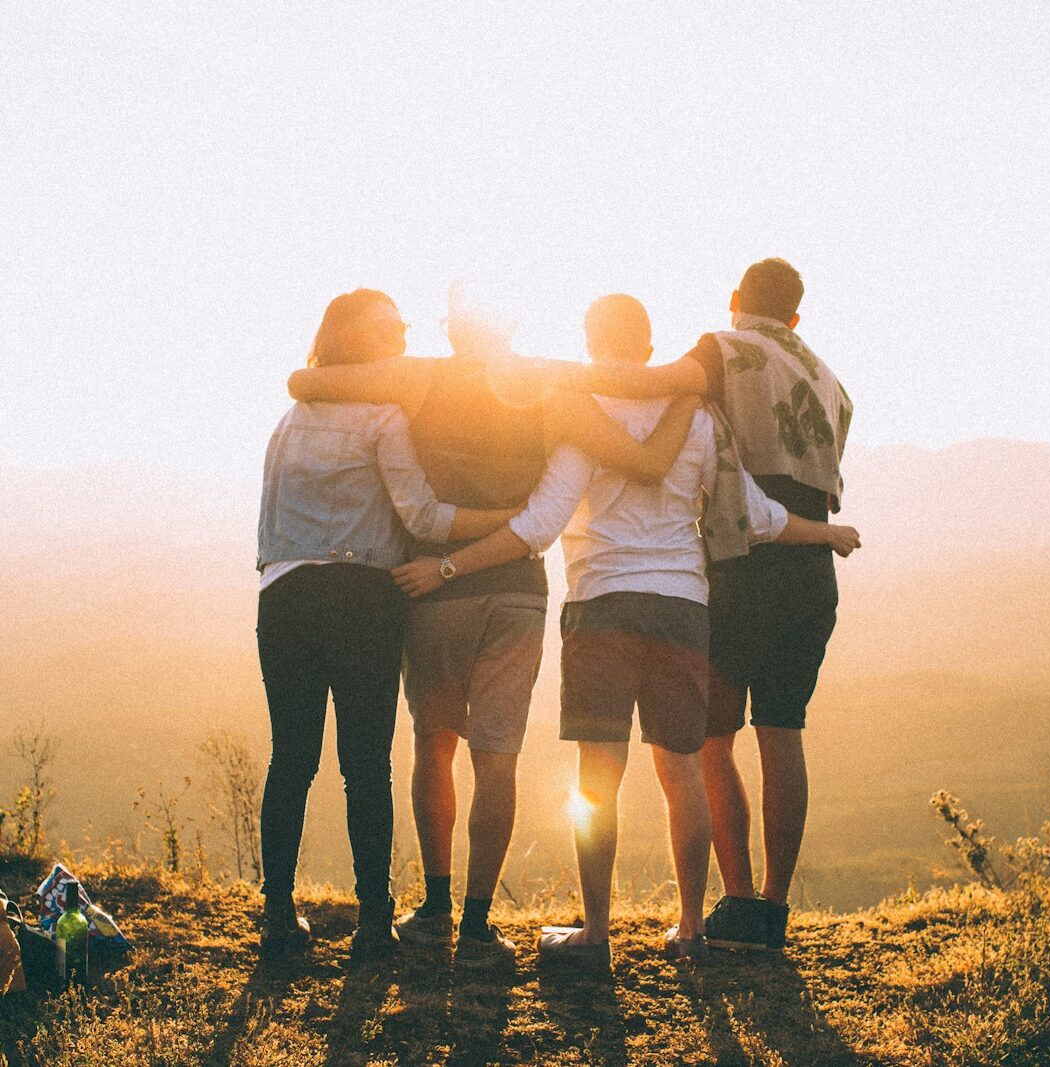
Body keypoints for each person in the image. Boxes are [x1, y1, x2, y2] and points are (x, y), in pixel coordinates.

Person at [392, 294, 860, 970]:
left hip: (600, 605)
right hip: (681, 608)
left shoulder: (582, 413)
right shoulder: (698, 417)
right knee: (681, 772)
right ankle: (692, 928)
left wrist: (448, 565)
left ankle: (595, 933)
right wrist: (826, 533)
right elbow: (754, 514)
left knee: (597, 778)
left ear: (589, 340)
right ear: (648, 347)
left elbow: (540, 524)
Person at [288, 284, 699, 969]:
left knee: (434, 742)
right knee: (497, 755)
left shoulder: (418, 376)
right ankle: (478, 926)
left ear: (453, 329)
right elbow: (624, 433)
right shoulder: (547, 381)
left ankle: (435, 907)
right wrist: (688, 385)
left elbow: (309, 380)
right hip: (516, 590)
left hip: (432, 588)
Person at [550, 260, 854, 951]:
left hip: (739, 563)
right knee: (783, 732)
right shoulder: (830, 380)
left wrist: (549, 377)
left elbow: (651, 384)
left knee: (706, 742)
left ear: (736, 301)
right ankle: (770, 911)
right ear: (796, 317)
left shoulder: (722, 349)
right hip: (808, 566)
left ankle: (736, 902)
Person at [256, 289, 524, 960]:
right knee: (365, 765)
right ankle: (374, 923)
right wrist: (509, 521)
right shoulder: (383, 418)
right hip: (363, 600)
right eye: (390, 329)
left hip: (284, 595)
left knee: (290, 760)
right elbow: (425, 519)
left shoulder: (290, 420)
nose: (402, 337)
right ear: (360, 341)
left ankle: (278, 916)